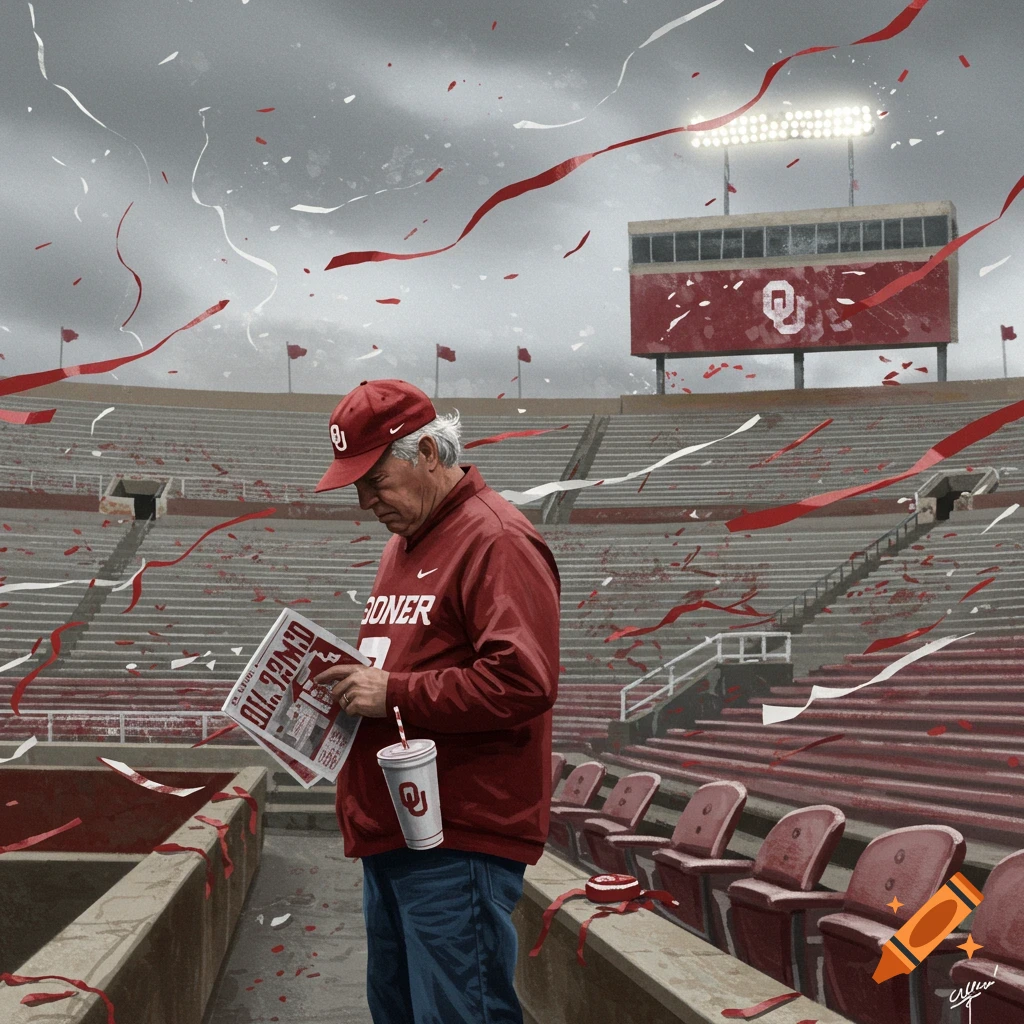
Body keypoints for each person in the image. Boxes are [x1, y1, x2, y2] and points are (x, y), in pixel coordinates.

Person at [312, 379, 561, 1024]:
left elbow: (523, 681)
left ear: (425, 452)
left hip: (457, 839)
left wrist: (391, 690)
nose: (365, 501)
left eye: (374, 481)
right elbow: (405, 666)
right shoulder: (406, 541)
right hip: (396, 828)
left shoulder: (497, 538)